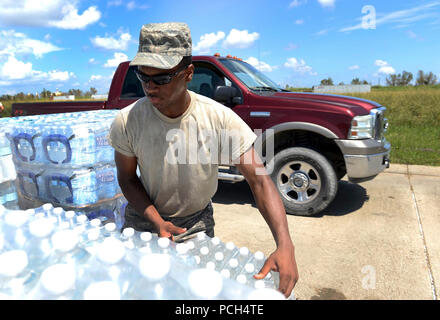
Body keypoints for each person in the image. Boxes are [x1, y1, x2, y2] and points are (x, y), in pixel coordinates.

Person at [108, 22, 298, 297]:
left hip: (195, 224)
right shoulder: (128, 120)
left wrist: (285, 245)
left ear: (188, 74)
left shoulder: (218, 120)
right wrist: (157, 222)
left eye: (160, 78)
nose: (150, 87)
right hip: (144, 220)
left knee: (190, 295)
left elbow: (259, 180)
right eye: (143, 77)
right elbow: (126, 178)